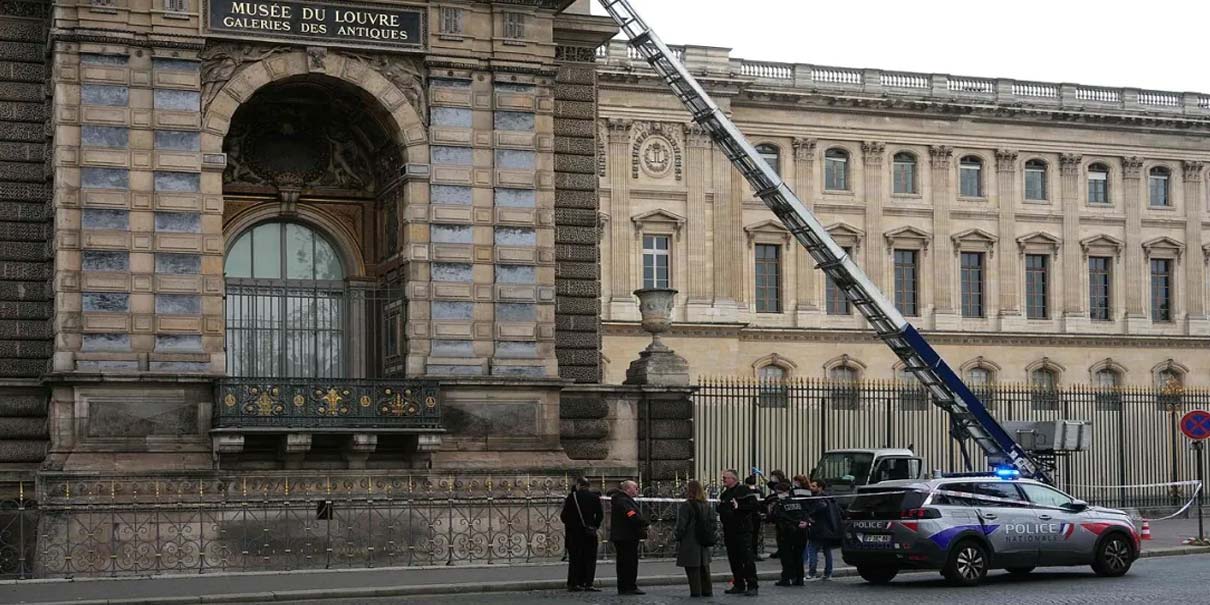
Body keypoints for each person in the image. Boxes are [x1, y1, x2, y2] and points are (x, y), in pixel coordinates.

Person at [717, 469, 760, 596]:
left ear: (734, 479)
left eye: (726, 477)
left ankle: (752, 585)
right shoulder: (725, 494)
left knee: (746, 558)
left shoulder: (744, 491)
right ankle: (739, 584)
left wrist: (739, 507)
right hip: (730, 530)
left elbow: (755, 506)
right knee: (734, 559)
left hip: (742, 530)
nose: (723, 479)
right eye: (723, 477)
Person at [560, 477, 603, 592]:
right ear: (588, 486)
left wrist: (571, 525)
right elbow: (600, 515)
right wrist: (594, 526)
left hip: (574, 533)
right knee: (590, 559)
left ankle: (574, 583)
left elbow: (564, 516)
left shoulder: (571, 498)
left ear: (579, 485)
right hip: (589, 532)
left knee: (575, 559)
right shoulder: (594, 498)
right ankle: (588, 583)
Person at [674, 480, 717, 598]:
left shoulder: (686, 505)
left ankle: (696, 591)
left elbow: (681, 525)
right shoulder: (706, 505)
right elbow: (713, 523)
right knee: (704, 567)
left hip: (690, 540)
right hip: (703, 540)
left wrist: (677, 537)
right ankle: (707, 590)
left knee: (692, 568)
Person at [610, 480, 649, 596]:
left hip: (625, 536)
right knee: (628, 563)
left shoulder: (623, 499)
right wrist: (643, 522)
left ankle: (626, 585)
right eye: (635, 488)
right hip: (626, 536)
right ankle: (628, 586)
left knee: (626, 563)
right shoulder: (623, 500)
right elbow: (631, 514)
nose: (637, 490)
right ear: (628, 489)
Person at [770, 480, 809, 586]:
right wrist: (803, 522)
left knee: (786, 557)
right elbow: (805, 513)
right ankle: (799, 579)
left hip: (786, 532)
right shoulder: (797, 501)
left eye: (778, 492)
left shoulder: (779, 503)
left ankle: (786, 579)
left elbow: (777, 517)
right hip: (801, 532)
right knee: (798, 556)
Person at [805, 478, 843, 580]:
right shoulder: (830, 498)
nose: (811, 488)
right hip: (829, 529)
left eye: (813, 486)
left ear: (820, 487)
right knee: (827, 551)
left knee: (812, 549)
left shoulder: (819, 499)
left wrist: (810, 515)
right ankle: (828, 573)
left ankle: (812, 573)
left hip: (818, 528)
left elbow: (820, 507)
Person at [763, 470, 788, 560]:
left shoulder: (784, 483)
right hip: (778, 515)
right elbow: (770, 485)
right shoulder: (776, 485)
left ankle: (783, 551)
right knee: (779, 534)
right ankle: (780, 550)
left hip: (784, 514)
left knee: (783, 535)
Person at [744, 474, 765, 561]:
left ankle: (747, 554)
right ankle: (754, 554)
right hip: (756, 516)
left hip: (746, 516)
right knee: (755, 536)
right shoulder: (759, 492)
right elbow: (763, 505)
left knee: (747, 536)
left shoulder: (744, 491)